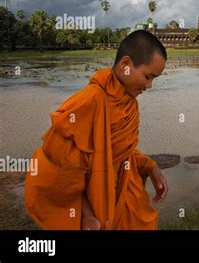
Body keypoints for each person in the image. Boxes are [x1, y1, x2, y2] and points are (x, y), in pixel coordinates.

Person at [24, 30, 169, 230]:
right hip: (94, 207)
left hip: (124, 196)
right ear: (125, 65)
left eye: (154, 79)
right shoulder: (89, 101)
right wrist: (85, 213)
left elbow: (118, 151)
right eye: (147, 76)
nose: (150, 85)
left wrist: (150, 167)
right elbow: (59, 167)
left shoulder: (129, 102)